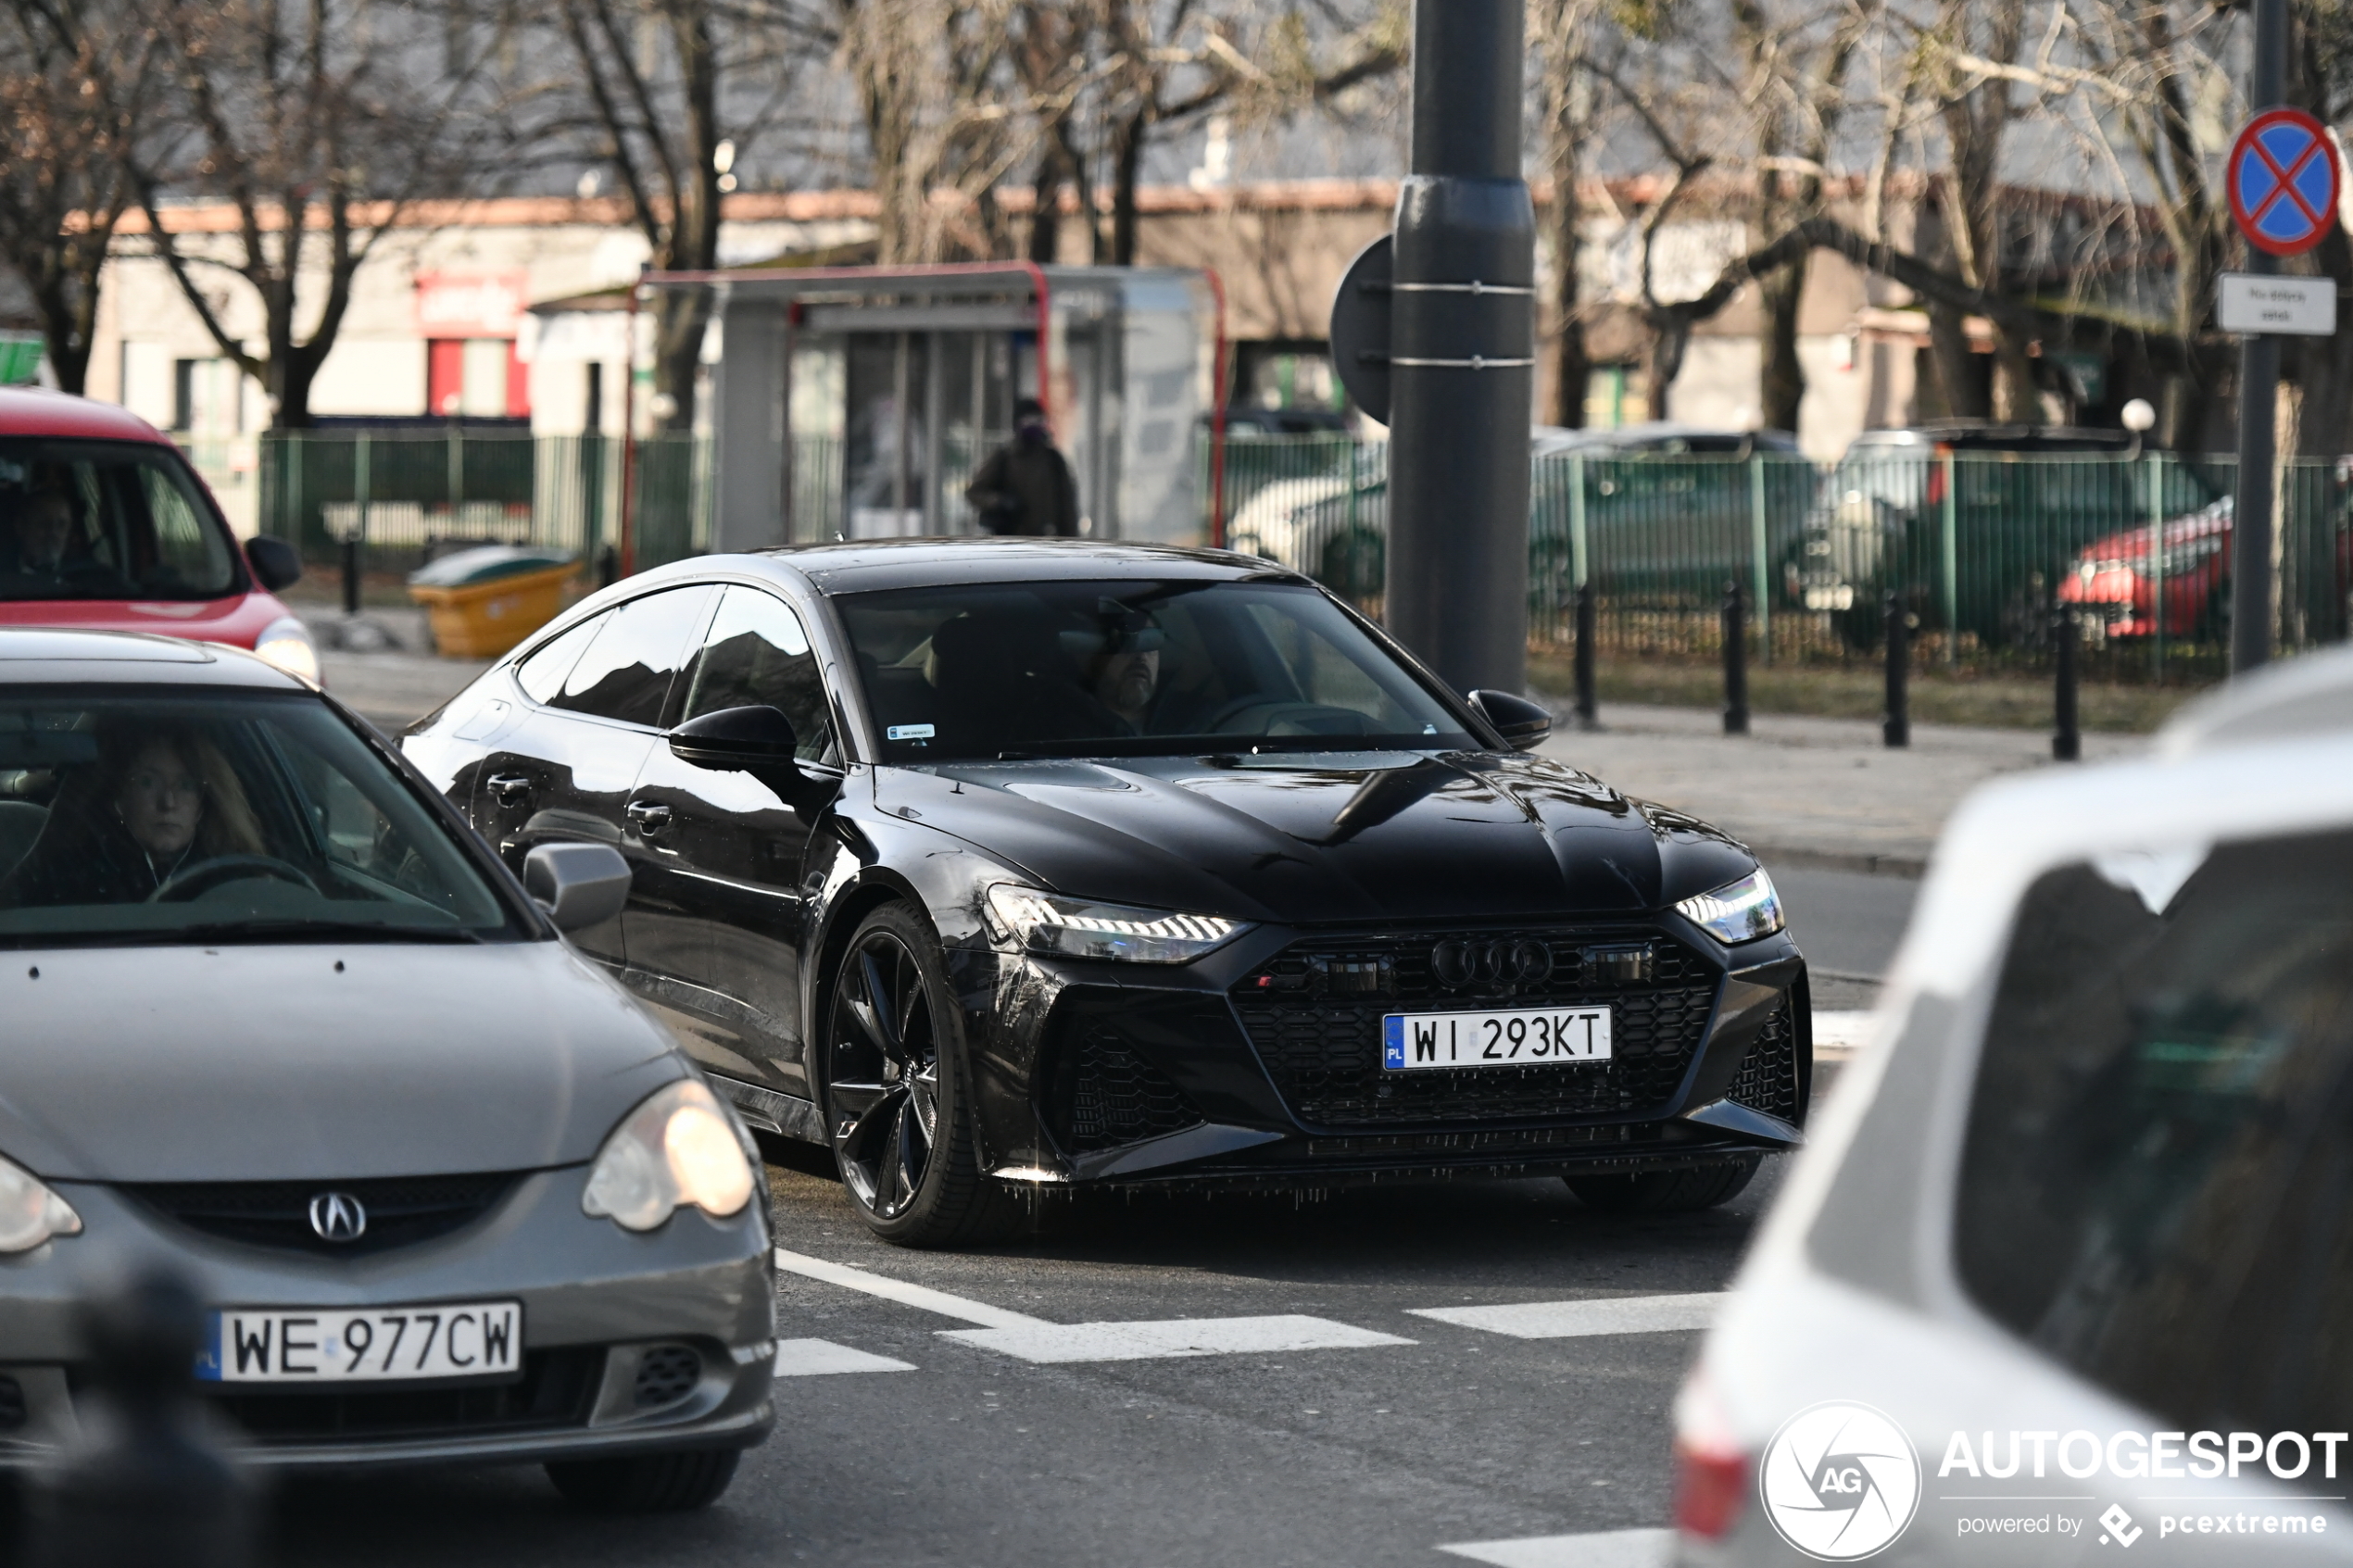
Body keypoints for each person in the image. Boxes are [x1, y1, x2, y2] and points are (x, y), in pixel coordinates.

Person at [1, 722, 270, 906]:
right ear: (120, 797)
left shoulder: (236, 879)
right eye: (148, 783)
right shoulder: (72, 878)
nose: (168, 802)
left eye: (186, 786)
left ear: (202, 805)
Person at [964, 399, 1079, 537]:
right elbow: (975, 492)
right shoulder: (1005, 457)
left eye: (1038, 420)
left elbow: (1067, 505)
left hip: (1046, 541)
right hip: (1011, 540)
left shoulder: (1053, 459)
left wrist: (1070, 541)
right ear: (1018, 423)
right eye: (1028, 420)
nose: (1034, 424)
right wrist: (1000, 501)